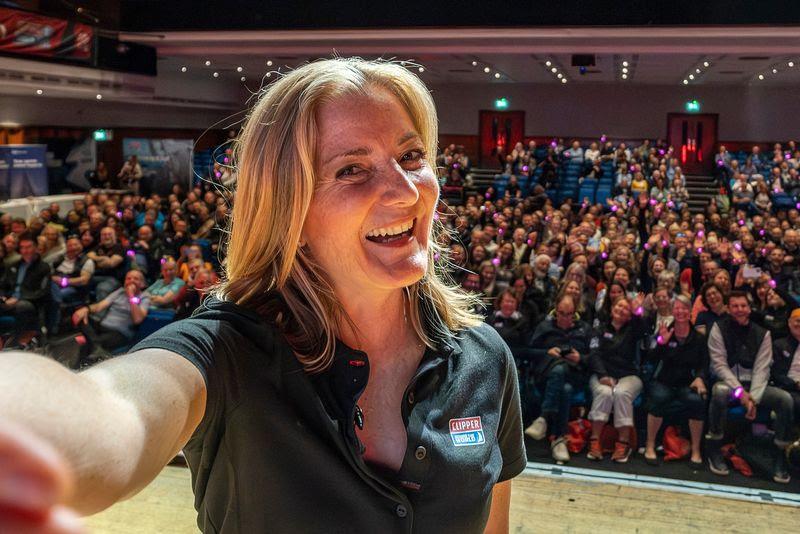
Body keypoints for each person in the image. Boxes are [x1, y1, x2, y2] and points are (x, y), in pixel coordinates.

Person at [0, 58, 525, 533]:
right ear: (286, 210)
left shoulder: (486, 360)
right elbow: (115, 409)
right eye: (352, 169)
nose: (408, 191)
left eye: (411, 155)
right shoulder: (226, 353)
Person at [706, 290, 794, 483]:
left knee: (785, 399)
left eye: (743, 306)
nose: (739, 310)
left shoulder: (763, 333)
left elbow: (762, 369)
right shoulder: (717, 329)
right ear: (728, 308)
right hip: (729, 384)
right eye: (735, 306)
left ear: (749, 308)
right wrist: (741, 394)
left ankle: (780, 454)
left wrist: (751, 398)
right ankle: (715, 446)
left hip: (755, 386)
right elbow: (719, 365)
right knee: (719, 391)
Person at [525, 294, 592, 464]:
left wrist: (580, 358)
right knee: (562, 381)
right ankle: (559, 440)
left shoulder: (583, 329)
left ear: (575, 313)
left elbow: (595, 357)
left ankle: (544, 418)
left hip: (574, 376)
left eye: (568, 314)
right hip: (545, 377)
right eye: (561, 313)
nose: (564, 317)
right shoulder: (545, 327)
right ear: (556, 311)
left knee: (564, 380)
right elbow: (528, 352)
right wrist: (547, 353)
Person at [644, 296, 708, 467]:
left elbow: (704, 364)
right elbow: (651, 358)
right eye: (677, 308)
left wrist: (700, 378)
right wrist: (661, 343)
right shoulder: (665, 331)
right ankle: (649, 445)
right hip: (664, 380)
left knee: (697, 401)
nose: (680, 312)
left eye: (684, 308)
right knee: (658, 398)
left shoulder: (699, 338)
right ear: (673, 311)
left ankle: (696, 449)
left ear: (690, 312)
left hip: (687, 382)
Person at [586, 294, 646, 463]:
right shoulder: (599, 329)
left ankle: (623, 443)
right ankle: (595, 441)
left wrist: (637, 312)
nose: (621, 310)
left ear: (629, 314)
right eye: (618, 306)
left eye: (626, 308)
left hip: (629, 376)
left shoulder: (633, 328)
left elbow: (644, 329)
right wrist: (603, 375)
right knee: (605, 393)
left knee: (621, 393)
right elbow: (593, 354)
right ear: (612, 309)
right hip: (602, 374)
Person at [0, 233, 51, 348]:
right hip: (9, 301)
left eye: (28, 247)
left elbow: (42, 292)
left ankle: (17, 342)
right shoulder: (14, 265)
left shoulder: (43, 267)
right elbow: (3, 286)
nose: (25, 251)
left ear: (36, 247)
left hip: (30, 302)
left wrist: (17, 299)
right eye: (22, 247)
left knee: (22, 306)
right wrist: (2, 296)